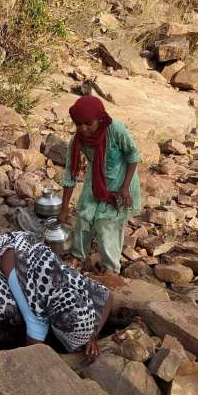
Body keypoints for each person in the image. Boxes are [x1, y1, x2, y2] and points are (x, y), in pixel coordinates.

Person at [0, 231, 112, 360]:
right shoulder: (36, 319)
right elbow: (32, 355)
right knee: (5, 312)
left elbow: (108, 297)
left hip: (28, 250)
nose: (79, 348)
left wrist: (93, 336)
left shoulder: (78, 285)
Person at [58, 96, 141, 275]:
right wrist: (64, 208)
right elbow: (70, 174)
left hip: (121, 180)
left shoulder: (116, 130)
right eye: (78, 124)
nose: (83, 128)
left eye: (88, 123)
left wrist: (125, 188)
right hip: (95, 180)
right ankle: (77, 256)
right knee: (83, 215)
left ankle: (110, 267)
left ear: (100, 119)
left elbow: (133, 156)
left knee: (107, 223)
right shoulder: (78, 140)